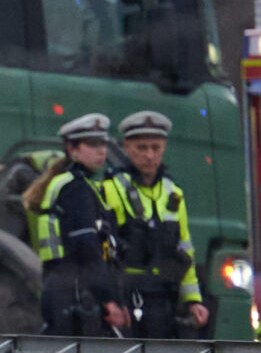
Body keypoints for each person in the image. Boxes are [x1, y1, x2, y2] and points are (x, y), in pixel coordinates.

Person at [29, 113, 129, 338]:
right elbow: (86, 248)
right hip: (76, 292)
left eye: (103, 143)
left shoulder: (73, 183)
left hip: (63, 288)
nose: (101, 150)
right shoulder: (76, 188)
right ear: (72, 149)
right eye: (92, 144)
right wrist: (109, 300)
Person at [112, 110, 211, 337]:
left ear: (164, 147)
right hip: (127, 301)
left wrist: (193, 301)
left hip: (165, 301)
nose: (149, 155)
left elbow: (185, 251)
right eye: (142, 148)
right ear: (127, 147)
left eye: (155, 148)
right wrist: (111, 301)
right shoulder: (111, 189)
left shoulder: (174, 193)